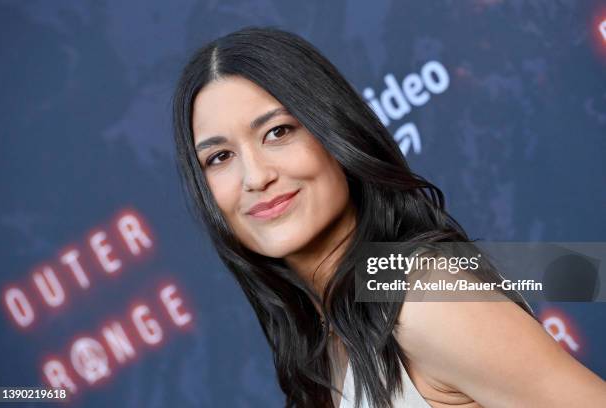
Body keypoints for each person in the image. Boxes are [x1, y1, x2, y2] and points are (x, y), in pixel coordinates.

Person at [172, 26, 606, 407]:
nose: (255, 176)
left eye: (278, 132)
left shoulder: (421, 300)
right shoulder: (327, 331)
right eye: (220, 157)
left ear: (333, 130)